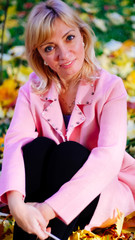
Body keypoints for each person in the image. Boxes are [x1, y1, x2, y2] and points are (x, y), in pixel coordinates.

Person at [0, 0, 135, 239]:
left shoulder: (111, 88)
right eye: (49, 48)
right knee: (35, 148)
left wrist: (47, 208)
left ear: (83, 36)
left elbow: (108, 160)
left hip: (98, 190)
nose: (64, 54)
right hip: (45, 189)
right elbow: (14, 143)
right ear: (39, 55)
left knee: (69, 153)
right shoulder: (31, 90)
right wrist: (17, 206)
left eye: (69, 38)